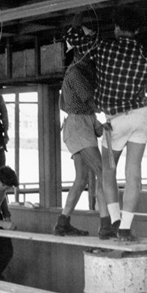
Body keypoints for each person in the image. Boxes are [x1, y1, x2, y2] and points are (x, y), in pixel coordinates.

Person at [65, 7, 147, 242]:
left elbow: (75, 41)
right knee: (134, 173)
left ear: (116, 28)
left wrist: (79, 25)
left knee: (108, 170)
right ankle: (126, 227)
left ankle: (115, 220)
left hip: (115, 120)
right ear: (136, 30)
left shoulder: (104, 48)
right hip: (140, 116)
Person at [56, 46, 110, 237]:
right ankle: (106, 225)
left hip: (80, 122)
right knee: (102, 172)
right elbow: (91, 101)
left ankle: (62, 224)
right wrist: (114, 109)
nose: (90, 56)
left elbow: (69, 105)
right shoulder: (76, 72)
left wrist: (97, 123)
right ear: (78, 54)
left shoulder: (78, 71)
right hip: (79, 123)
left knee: (82, 179)